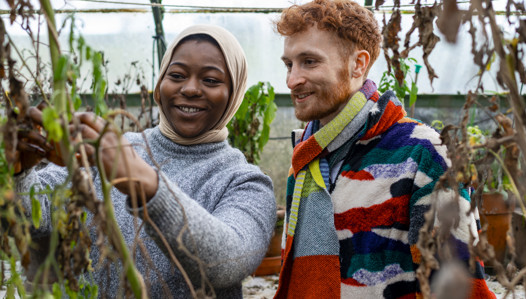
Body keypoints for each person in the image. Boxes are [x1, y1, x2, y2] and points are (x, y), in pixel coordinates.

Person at [14, 24, 276, 298]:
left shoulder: (246, 182)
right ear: (160, 83)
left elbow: (226, 265)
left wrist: (144, 182)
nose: (189, 89)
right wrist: (20, 173)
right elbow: (34, 217)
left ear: (234, 94)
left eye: (210, 80)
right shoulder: (109, 149)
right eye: (176, 75)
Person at [273, 1, 495, 298]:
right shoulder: (306, 156)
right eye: (289, 64)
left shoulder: (424, 154)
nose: (292, 80)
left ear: (358, 64)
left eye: (309, 62)